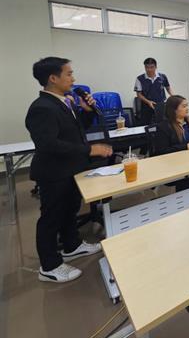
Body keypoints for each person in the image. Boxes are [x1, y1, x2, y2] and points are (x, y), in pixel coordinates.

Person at [25, 57, 112, 283]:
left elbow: (72, 130)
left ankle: (72, 245)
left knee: (69, 209)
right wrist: (90, 150)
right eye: (69, 74)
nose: (73, 78)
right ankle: (49, 266)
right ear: (53, 78)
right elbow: (49, 144)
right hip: (53, 172)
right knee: (51, 218)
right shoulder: (42, 108)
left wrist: (87, 111)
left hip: (71, 168)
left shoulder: (64, 101)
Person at [134, 57, 173, 125]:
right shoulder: (140, 79)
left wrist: (173, 96)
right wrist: (148, 102)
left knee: (162, 124)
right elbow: (139, 94)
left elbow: (168, 88)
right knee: (146, 125)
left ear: (156, 67)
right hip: (146, 106)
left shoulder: (162, 77)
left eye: (152, 67)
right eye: (147, 67)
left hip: (160, 105)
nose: (149, 69)